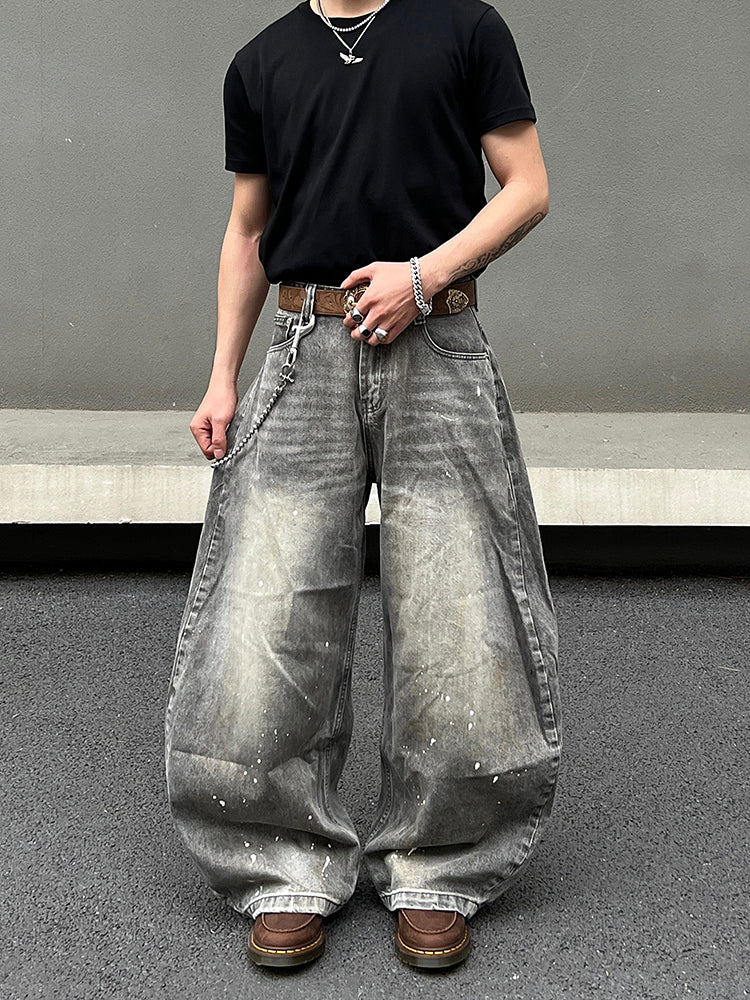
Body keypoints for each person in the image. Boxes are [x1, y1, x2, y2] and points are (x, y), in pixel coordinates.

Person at [164, 0, 561, 972]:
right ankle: (284, 865)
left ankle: (439, 867)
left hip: (439, 338)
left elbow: (528, 187)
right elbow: (248, 229)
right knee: (270, 610)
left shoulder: (464, 28)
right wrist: (222, 376)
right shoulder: (261, 61)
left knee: (458, 610)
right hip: (303, 348)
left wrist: (423, 276)